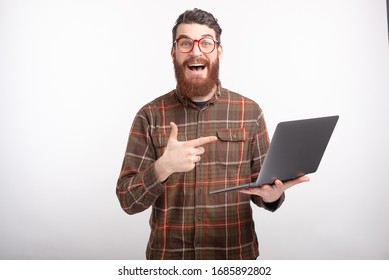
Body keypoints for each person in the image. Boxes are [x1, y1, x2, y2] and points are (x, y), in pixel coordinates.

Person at [116, 8, 309, 260]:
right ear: (173, 53)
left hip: (234, 259)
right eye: (185, 43)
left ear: (219, 51)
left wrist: (273, 196)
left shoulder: (249, 112)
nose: (196, 51)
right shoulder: (150, 115)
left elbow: (264, 188)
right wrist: (162, 168)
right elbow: (128, 201)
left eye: (206, 43)